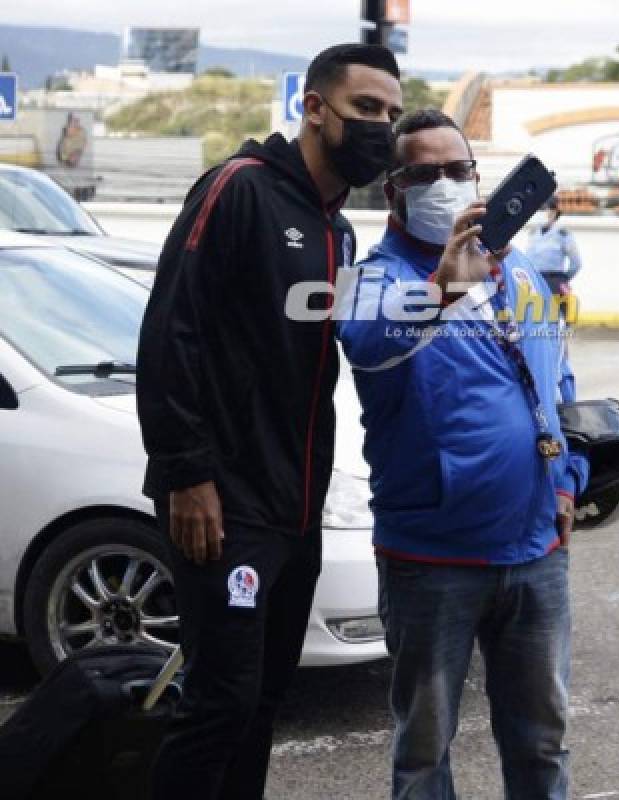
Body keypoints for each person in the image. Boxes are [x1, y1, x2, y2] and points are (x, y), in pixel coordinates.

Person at [136, 44, 402, 799]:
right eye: (364, 110)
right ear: (314, 108)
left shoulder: (338, 229)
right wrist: (187, 474)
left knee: (260, 705)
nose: (379, 127)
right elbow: (168, 336)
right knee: (218, 703)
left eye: (389, 112)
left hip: (295, 508)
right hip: (224, 506)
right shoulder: (239, 188)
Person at [335, 108, 589, 800]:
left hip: (536, 553)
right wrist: (444, 285)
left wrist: (565, 480)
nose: (446, 184)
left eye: (458, 170)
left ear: (480, 178)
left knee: (543, 744)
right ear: (394, 190)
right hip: (431, 561)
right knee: (424, 750)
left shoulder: (524, 275)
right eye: (425, 173)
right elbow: (366, 341)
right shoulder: (374, 278)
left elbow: (558, 384)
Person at [526, 194, 583, 299]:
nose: (542, 213)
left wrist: (562, 279)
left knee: (557, 314)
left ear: (554, 212)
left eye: (545, 209)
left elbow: (576, 263)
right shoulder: (533, 233)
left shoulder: (563, 234)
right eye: (539, 209)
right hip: (534, 282)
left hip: (554, 281)